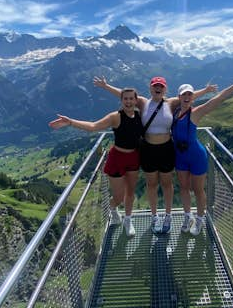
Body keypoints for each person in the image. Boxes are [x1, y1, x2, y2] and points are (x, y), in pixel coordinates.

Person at [94, 76, 217, 234]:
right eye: (155, 86)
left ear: (165, 89)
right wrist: (106, 86)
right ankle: (154, 216)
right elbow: (125, 95)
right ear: (150, 88)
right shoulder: (143, 102)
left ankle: (168, 215)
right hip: (148, 149)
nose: (158, 88)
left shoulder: (171, 102)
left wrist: (205, 91)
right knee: (151, 184)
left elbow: (188, 98)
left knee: (167, 184)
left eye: (161, 86)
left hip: (166, 148)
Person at [48, 87, 143, 237]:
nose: (129, 101)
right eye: (126, 98)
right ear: (121, 100)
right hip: (117, 158)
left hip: (134, 158)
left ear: (136, 100)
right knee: (119, 197)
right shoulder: (115, 117)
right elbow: (93, 127)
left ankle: (128, 220)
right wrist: (70, 122)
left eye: (131, 98)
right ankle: (113, 208)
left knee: (130, 193)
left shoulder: (139, 116)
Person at [173, 70, 233, 236]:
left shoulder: (196, 112)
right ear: (179, 97)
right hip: (180, 156)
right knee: (184, 188)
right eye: (183, 95)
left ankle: (200, 219)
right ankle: (188, 217)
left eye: (189, 95)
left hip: (196, 157)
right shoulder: (174, 113)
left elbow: (218, 99)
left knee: (198, 190)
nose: (186, 97)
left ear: (193, 97)